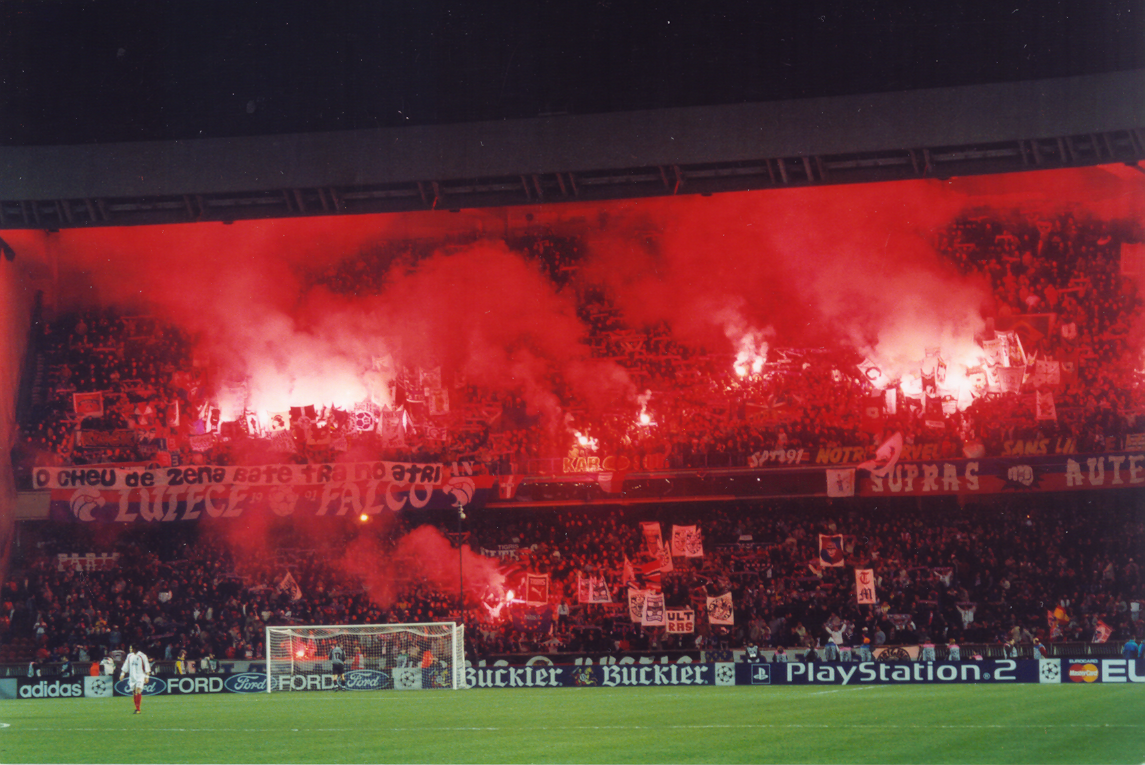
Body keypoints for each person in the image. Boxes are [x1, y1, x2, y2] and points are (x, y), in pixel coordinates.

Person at [120, 646, 151, 714]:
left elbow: (146, 665)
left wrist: (147, 676)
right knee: (134, 692)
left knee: (138, 690)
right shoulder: (129, 656)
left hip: (140, 676)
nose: (129, 649)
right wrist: (122, 674)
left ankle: (138, 709)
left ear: (134, 649)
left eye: (131, 648)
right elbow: (126, 665)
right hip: (132, 676)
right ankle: (136, 708)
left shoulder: (142, 656)